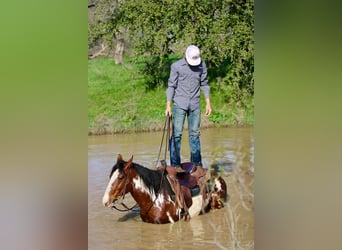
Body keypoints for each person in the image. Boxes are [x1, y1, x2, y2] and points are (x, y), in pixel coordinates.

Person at [165, 45, 212, 171]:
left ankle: (196, 165)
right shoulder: (176, 66)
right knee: (176, 135)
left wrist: (208, 102)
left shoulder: (202, 65)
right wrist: (168, 105)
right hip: (180, 104)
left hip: (195, 105)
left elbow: (204, 83)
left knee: (195, 135)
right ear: (185, 55)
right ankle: (175, 165)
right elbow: (171, 86)